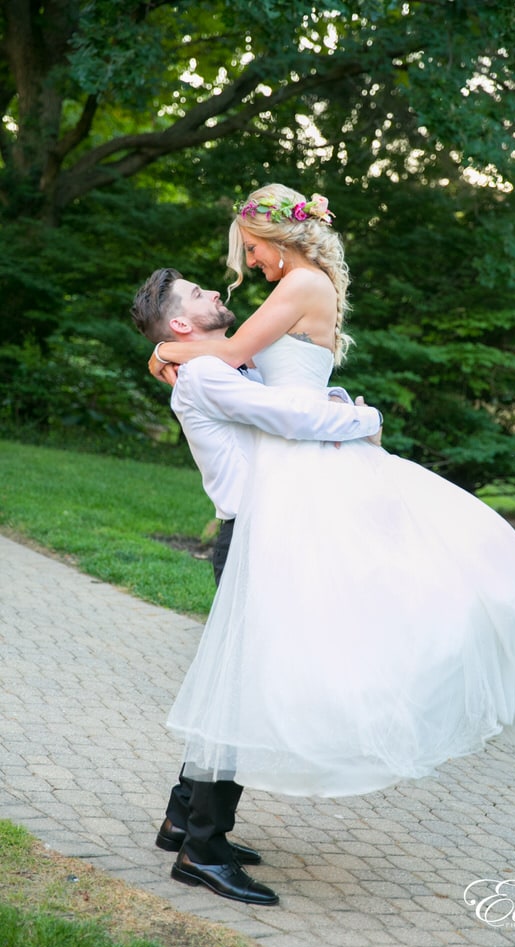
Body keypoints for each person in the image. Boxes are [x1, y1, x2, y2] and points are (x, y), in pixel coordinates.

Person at [147, 184, 515, 839]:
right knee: (248, 672)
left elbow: (247, 370)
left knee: (284, 652)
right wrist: (355, 413)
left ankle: (194, 828)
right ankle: (195, 834)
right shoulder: (288, 295)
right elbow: (260, 383)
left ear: (283, 238)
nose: (247, 267)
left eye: (255, 250)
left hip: (304, 475)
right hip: (293, 478)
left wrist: (167, 350)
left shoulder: (298, 287)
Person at [131, 267, 384, 906]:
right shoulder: (210, 373)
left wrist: (337, 401)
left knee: (231, 687)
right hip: (251, 541)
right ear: (182, 324)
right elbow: (291, 418)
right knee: (238, 697)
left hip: (263, 537)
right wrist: (366, 417)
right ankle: (203, 853)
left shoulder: (217, 364)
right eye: (197, 293)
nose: (216, 291)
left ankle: (182, 820)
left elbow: (292, 401)